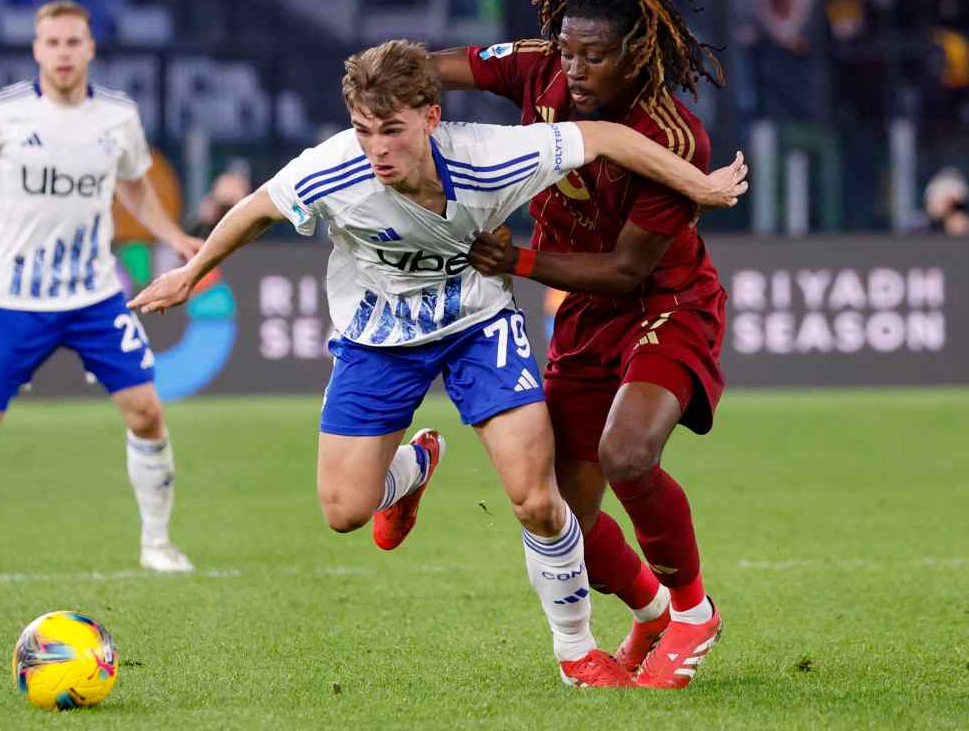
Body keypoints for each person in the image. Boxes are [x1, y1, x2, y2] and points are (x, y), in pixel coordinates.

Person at [128, 39, 746, 686]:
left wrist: (696, 183)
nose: (377, 150)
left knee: (538, 499)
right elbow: (256, 210)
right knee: (343, 511)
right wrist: (192, 272)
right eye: (364, 130)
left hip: (479, 326)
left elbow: (603, 137)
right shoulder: (335, 170)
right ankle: (415, 465)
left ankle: (577, 653)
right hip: (378, 336)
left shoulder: (490, 155)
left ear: (430, 117)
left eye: (392, 130)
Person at [431, 0, 733, 689]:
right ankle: (652, 610)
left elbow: (627, 271)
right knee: (555, 506)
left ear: (637, 53)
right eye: (568, 51)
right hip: (586, 317)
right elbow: (438, 67)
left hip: (664, 304)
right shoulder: (541, 70)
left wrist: (519, 263)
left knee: (627, 454)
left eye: (594, 55)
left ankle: (694, 612)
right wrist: (385, 82)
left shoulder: (673, 138)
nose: (575, 69)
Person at [0, 0, 203, 573]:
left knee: (146, 410)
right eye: (53, 43)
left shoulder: (118, 117)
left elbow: (134, 188)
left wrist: (173, 235)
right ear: (36, 49)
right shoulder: (5, 114)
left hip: (94, 295)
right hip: (16, 300)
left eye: (74, 42)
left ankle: (156, 544)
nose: (64, 53)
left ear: (91, 47)